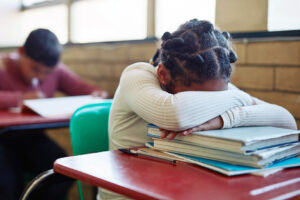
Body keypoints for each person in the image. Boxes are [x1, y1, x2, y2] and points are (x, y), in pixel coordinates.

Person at [98, 19, 297, 200]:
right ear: (163, 75)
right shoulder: (137, 75)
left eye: (218, 97)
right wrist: (242, 98)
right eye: (198, 100)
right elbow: (176, 114)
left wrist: (224, 118)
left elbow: (286, 122)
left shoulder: (217, 84)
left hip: (184, 189)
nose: (212, 103)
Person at [0, 28, 109, 200]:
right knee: (7, 184)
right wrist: (20, 98)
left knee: (62, 172)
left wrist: (97, 94)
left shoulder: (57, 70)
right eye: (35, 69)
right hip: (3, 140)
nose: (41, 77)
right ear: (21, 52)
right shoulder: (3, 66)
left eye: (47, 72)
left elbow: (84, 88)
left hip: (32, 138)